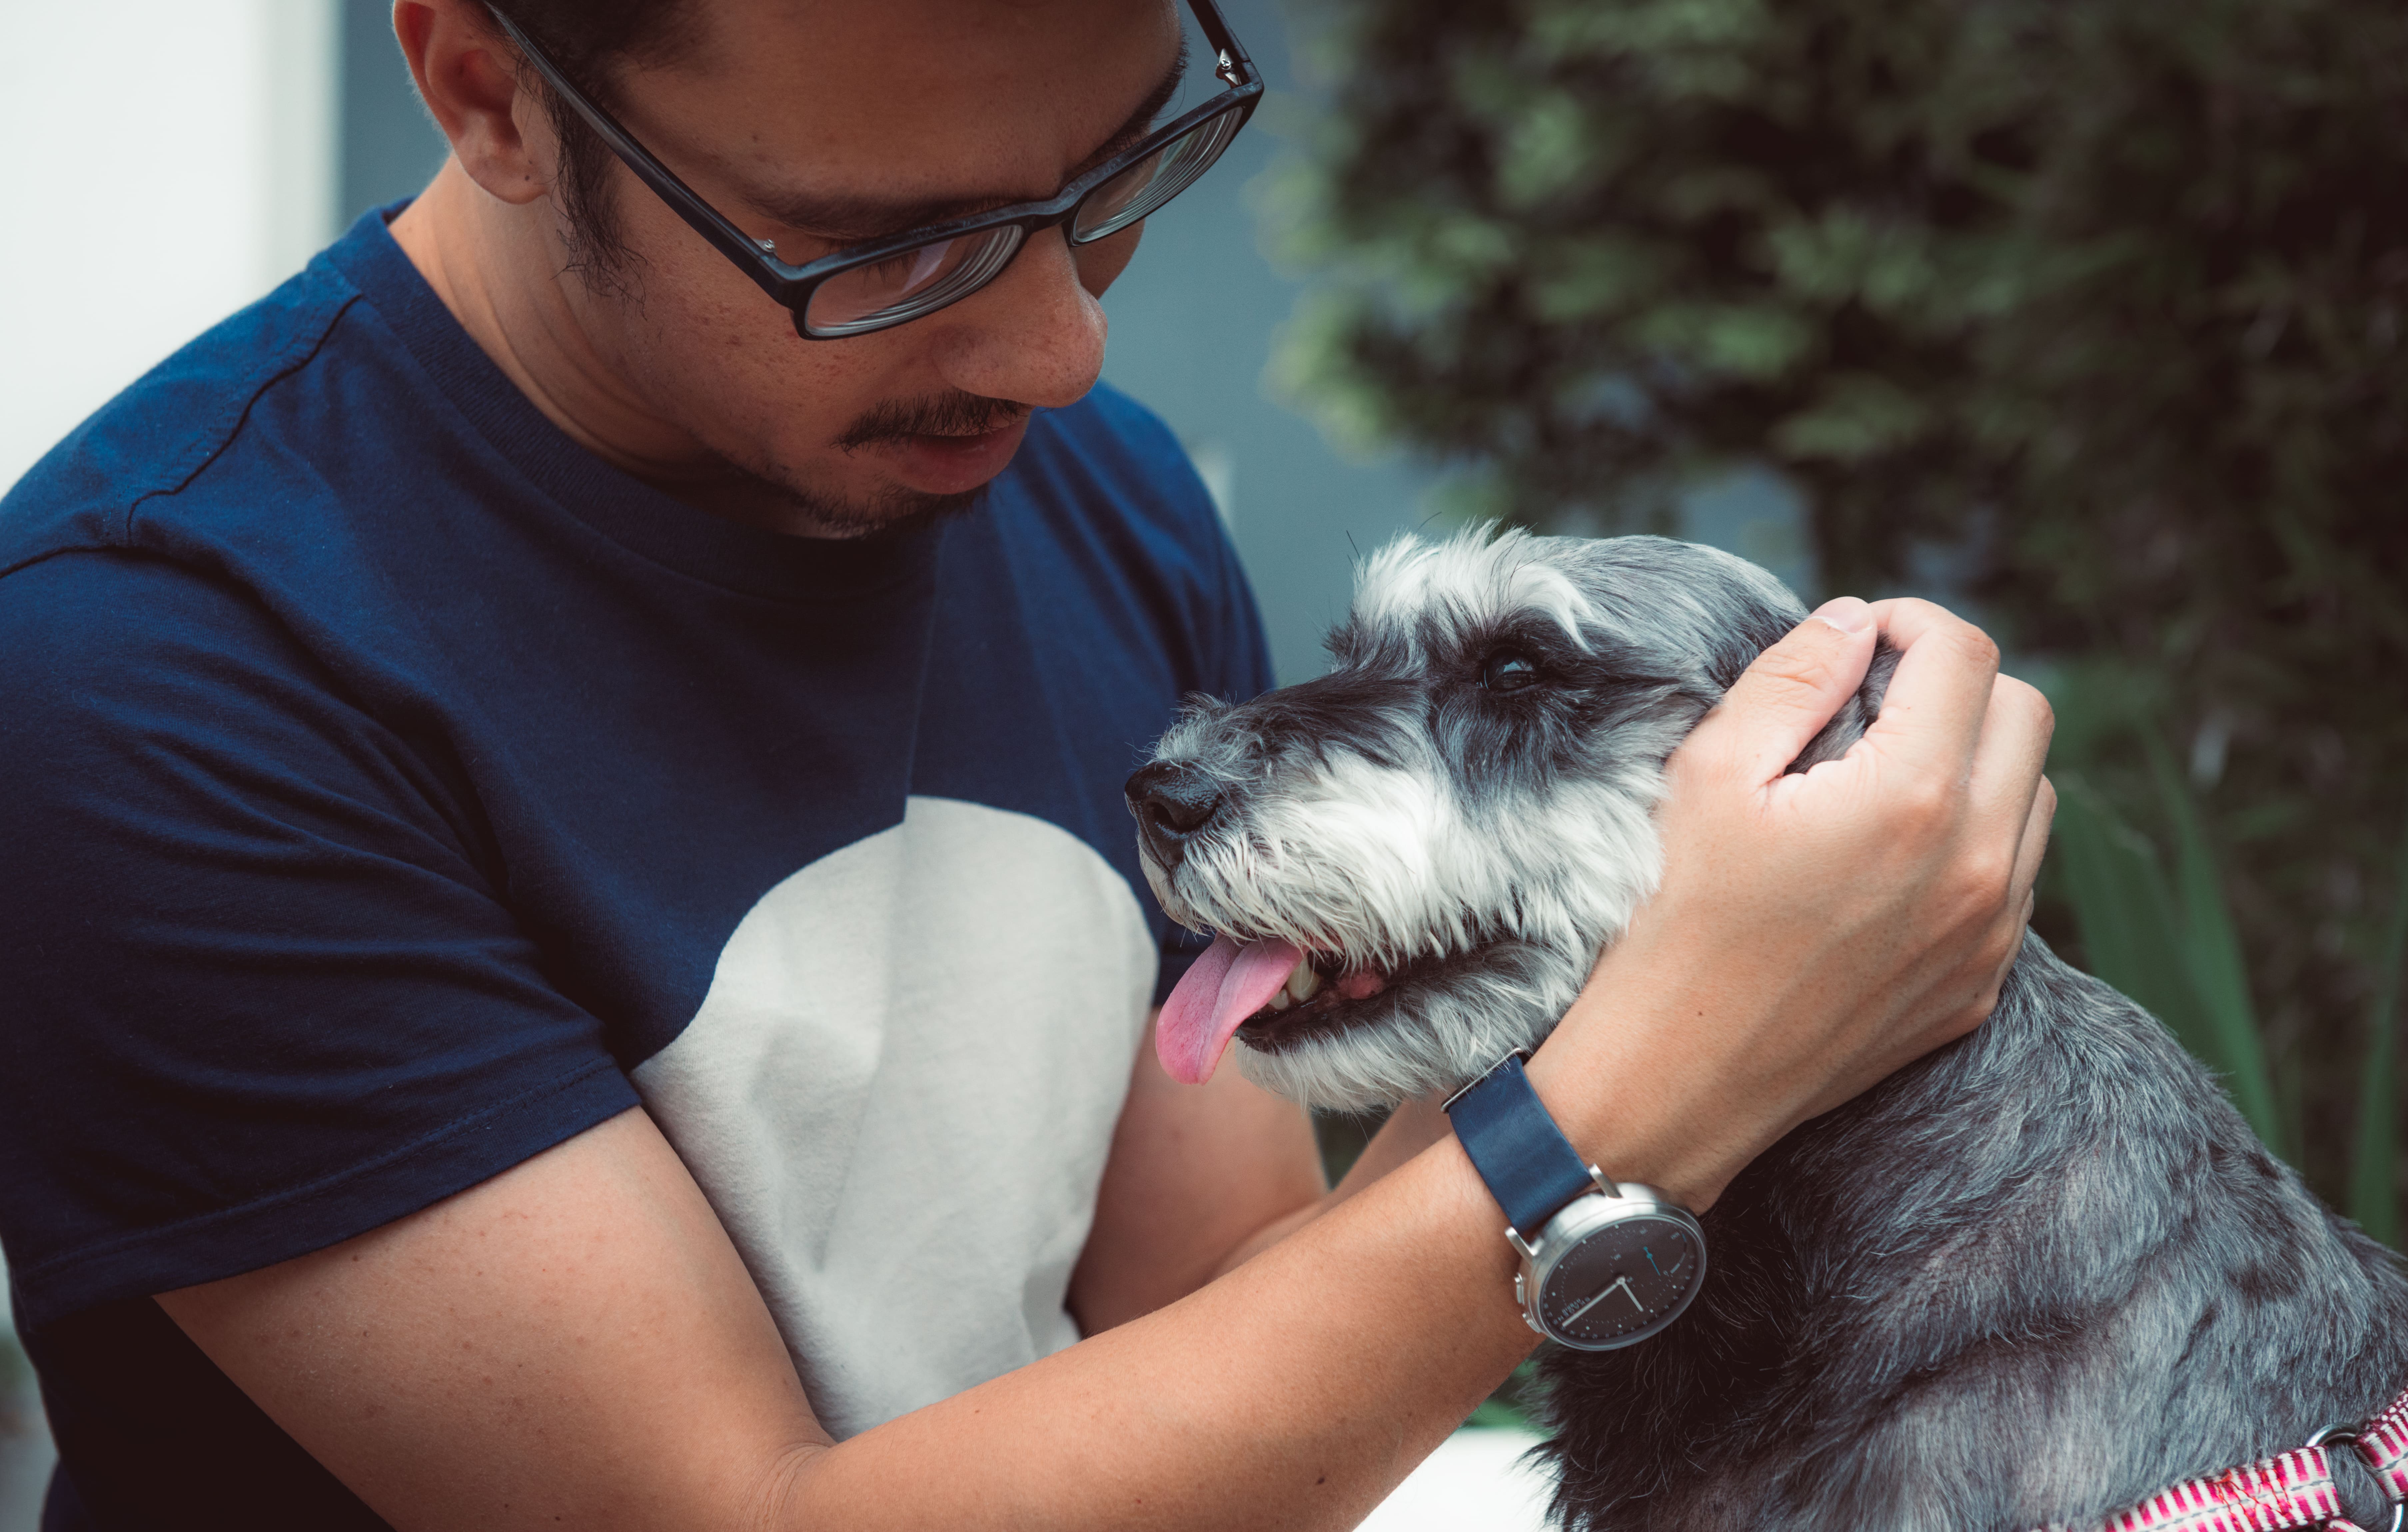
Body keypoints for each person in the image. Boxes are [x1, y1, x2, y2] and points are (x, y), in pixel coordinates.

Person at [0, 0, 2055, 1526]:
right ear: (481, 81)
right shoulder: (154, 669)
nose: (1060, 352)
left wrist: (1692, 944)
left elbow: (1246, 1317)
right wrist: (1648, 1095)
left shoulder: (1081, 489)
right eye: (886, 245)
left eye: (1113, 181)